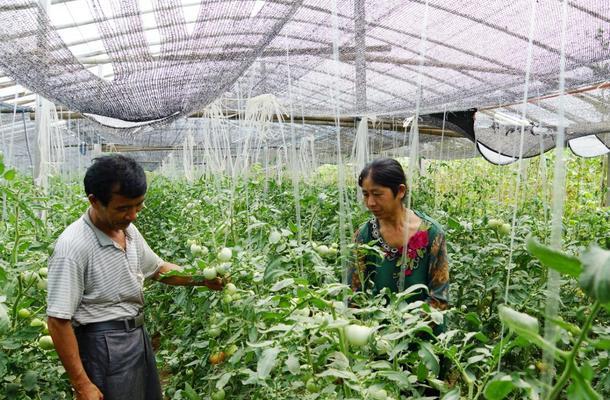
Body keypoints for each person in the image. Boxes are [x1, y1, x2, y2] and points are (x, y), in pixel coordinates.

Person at [46, 155, 224, 400]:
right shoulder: (73, 247)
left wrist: (202, 278)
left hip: (136, 336)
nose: (133, 216)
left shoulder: (127, 230)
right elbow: (58, 320)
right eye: (123, 208)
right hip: (103, 345)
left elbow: (159, 269)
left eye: (138, 206)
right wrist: (82, 384)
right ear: (94, 201)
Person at [349, 157, 449, 313]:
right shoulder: (364, 236)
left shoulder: (432, 233)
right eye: (366, 194)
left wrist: (406, 330)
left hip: (424, 330)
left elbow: (439, 297)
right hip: (377, 330)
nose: (370, 203)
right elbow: (354, 294)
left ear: (400, 191)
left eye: (377, 194)